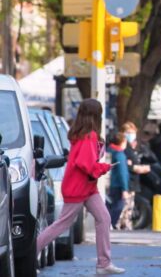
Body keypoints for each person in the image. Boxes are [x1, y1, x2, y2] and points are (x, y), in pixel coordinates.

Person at [35, 99, 125, 275]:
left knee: (104, 218)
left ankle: (104, 264)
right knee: (63, 224)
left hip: (86, 187)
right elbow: (86, 164)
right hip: (79, 187)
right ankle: (31, 254)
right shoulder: (88, 136)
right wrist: (104, 167)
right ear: (96, 115)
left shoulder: (83, 136)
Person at [119, 121, 150, 230]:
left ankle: (126, 226)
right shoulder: (123, 148)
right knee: (125, 207)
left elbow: (132, 162)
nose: (131, 135)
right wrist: (137, 168)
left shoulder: (131, 147)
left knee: (129, 207)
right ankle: (122, 226)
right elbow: (125, 165)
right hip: (127, 182)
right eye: (128, 133)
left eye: (133, 133)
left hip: (132, 182)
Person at [106, 133, 129, 229]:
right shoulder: (120, 154)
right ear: (122, 142)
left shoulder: (108, 151)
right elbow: (122, 172)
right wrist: (125, 189)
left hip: (107, 183)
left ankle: (107, 222)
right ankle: (110, 223)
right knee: (119, 205)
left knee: (108, 205)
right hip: (117, 185)